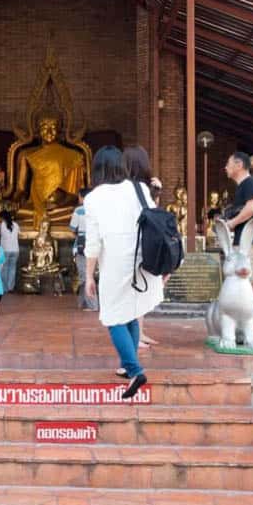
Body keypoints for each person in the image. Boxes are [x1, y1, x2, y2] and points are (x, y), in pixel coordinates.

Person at [84, 146, 163, 400]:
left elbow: (93, 243)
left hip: (115, 262)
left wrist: (89, 276)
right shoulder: (137, 188)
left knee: (113, 317)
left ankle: (134, 369)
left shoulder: (93, 198)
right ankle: (125, 363)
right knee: (130, 312)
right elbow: (153, 215)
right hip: (141, 258)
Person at [123, 146, 159, 351]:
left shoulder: (119, 188)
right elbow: (151, 213)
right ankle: (135, 337)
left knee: (137, 294)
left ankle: (139, 333)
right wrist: (155, 192)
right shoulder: (139, 189)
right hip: (138, 248)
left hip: (125, 248)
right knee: (138, 295)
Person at [223, 151, 253, 297]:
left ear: (239, 165)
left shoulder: (249, 183)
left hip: (251, 240)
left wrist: (231, 223)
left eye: (228, 164)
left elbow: (252, 207)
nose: (225, 167)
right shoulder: (243, 186)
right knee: (240, 279)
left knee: (248, 278)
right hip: (244, 241)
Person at [70, 188, 97, 311]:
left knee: (85, 275)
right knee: (86, 275)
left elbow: (72, 228)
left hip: (81, 246)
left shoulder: (79, 210)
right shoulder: (99, 209)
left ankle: (92, 304)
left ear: (82, 197)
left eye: (79, 196)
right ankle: (82, 302)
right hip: (96, 245)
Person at [0, 209, 21, 293]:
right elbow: (19, 235)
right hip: (15, 250)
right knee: (12, 269)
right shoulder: (16, 225)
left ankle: (4, 288)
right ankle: (11, 287)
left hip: (5, 250)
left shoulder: (0, 226)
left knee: (4, 269)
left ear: (2, 217)